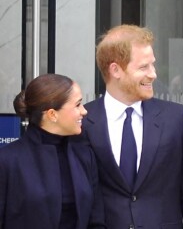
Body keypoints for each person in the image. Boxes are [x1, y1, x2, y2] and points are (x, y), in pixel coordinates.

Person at [82, 24, 183, 228]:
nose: (153, 74)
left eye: (153, 65)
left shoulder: (175, 118)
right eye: (143, 67)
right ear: (115, 70)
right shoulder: (84, 121)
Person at [0, 73, 106, 229]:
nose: (84, 111)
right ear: (52, 114)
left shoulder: (84, 156)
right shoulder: (7, 161)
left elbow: (96, 220)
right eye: (77, 105)